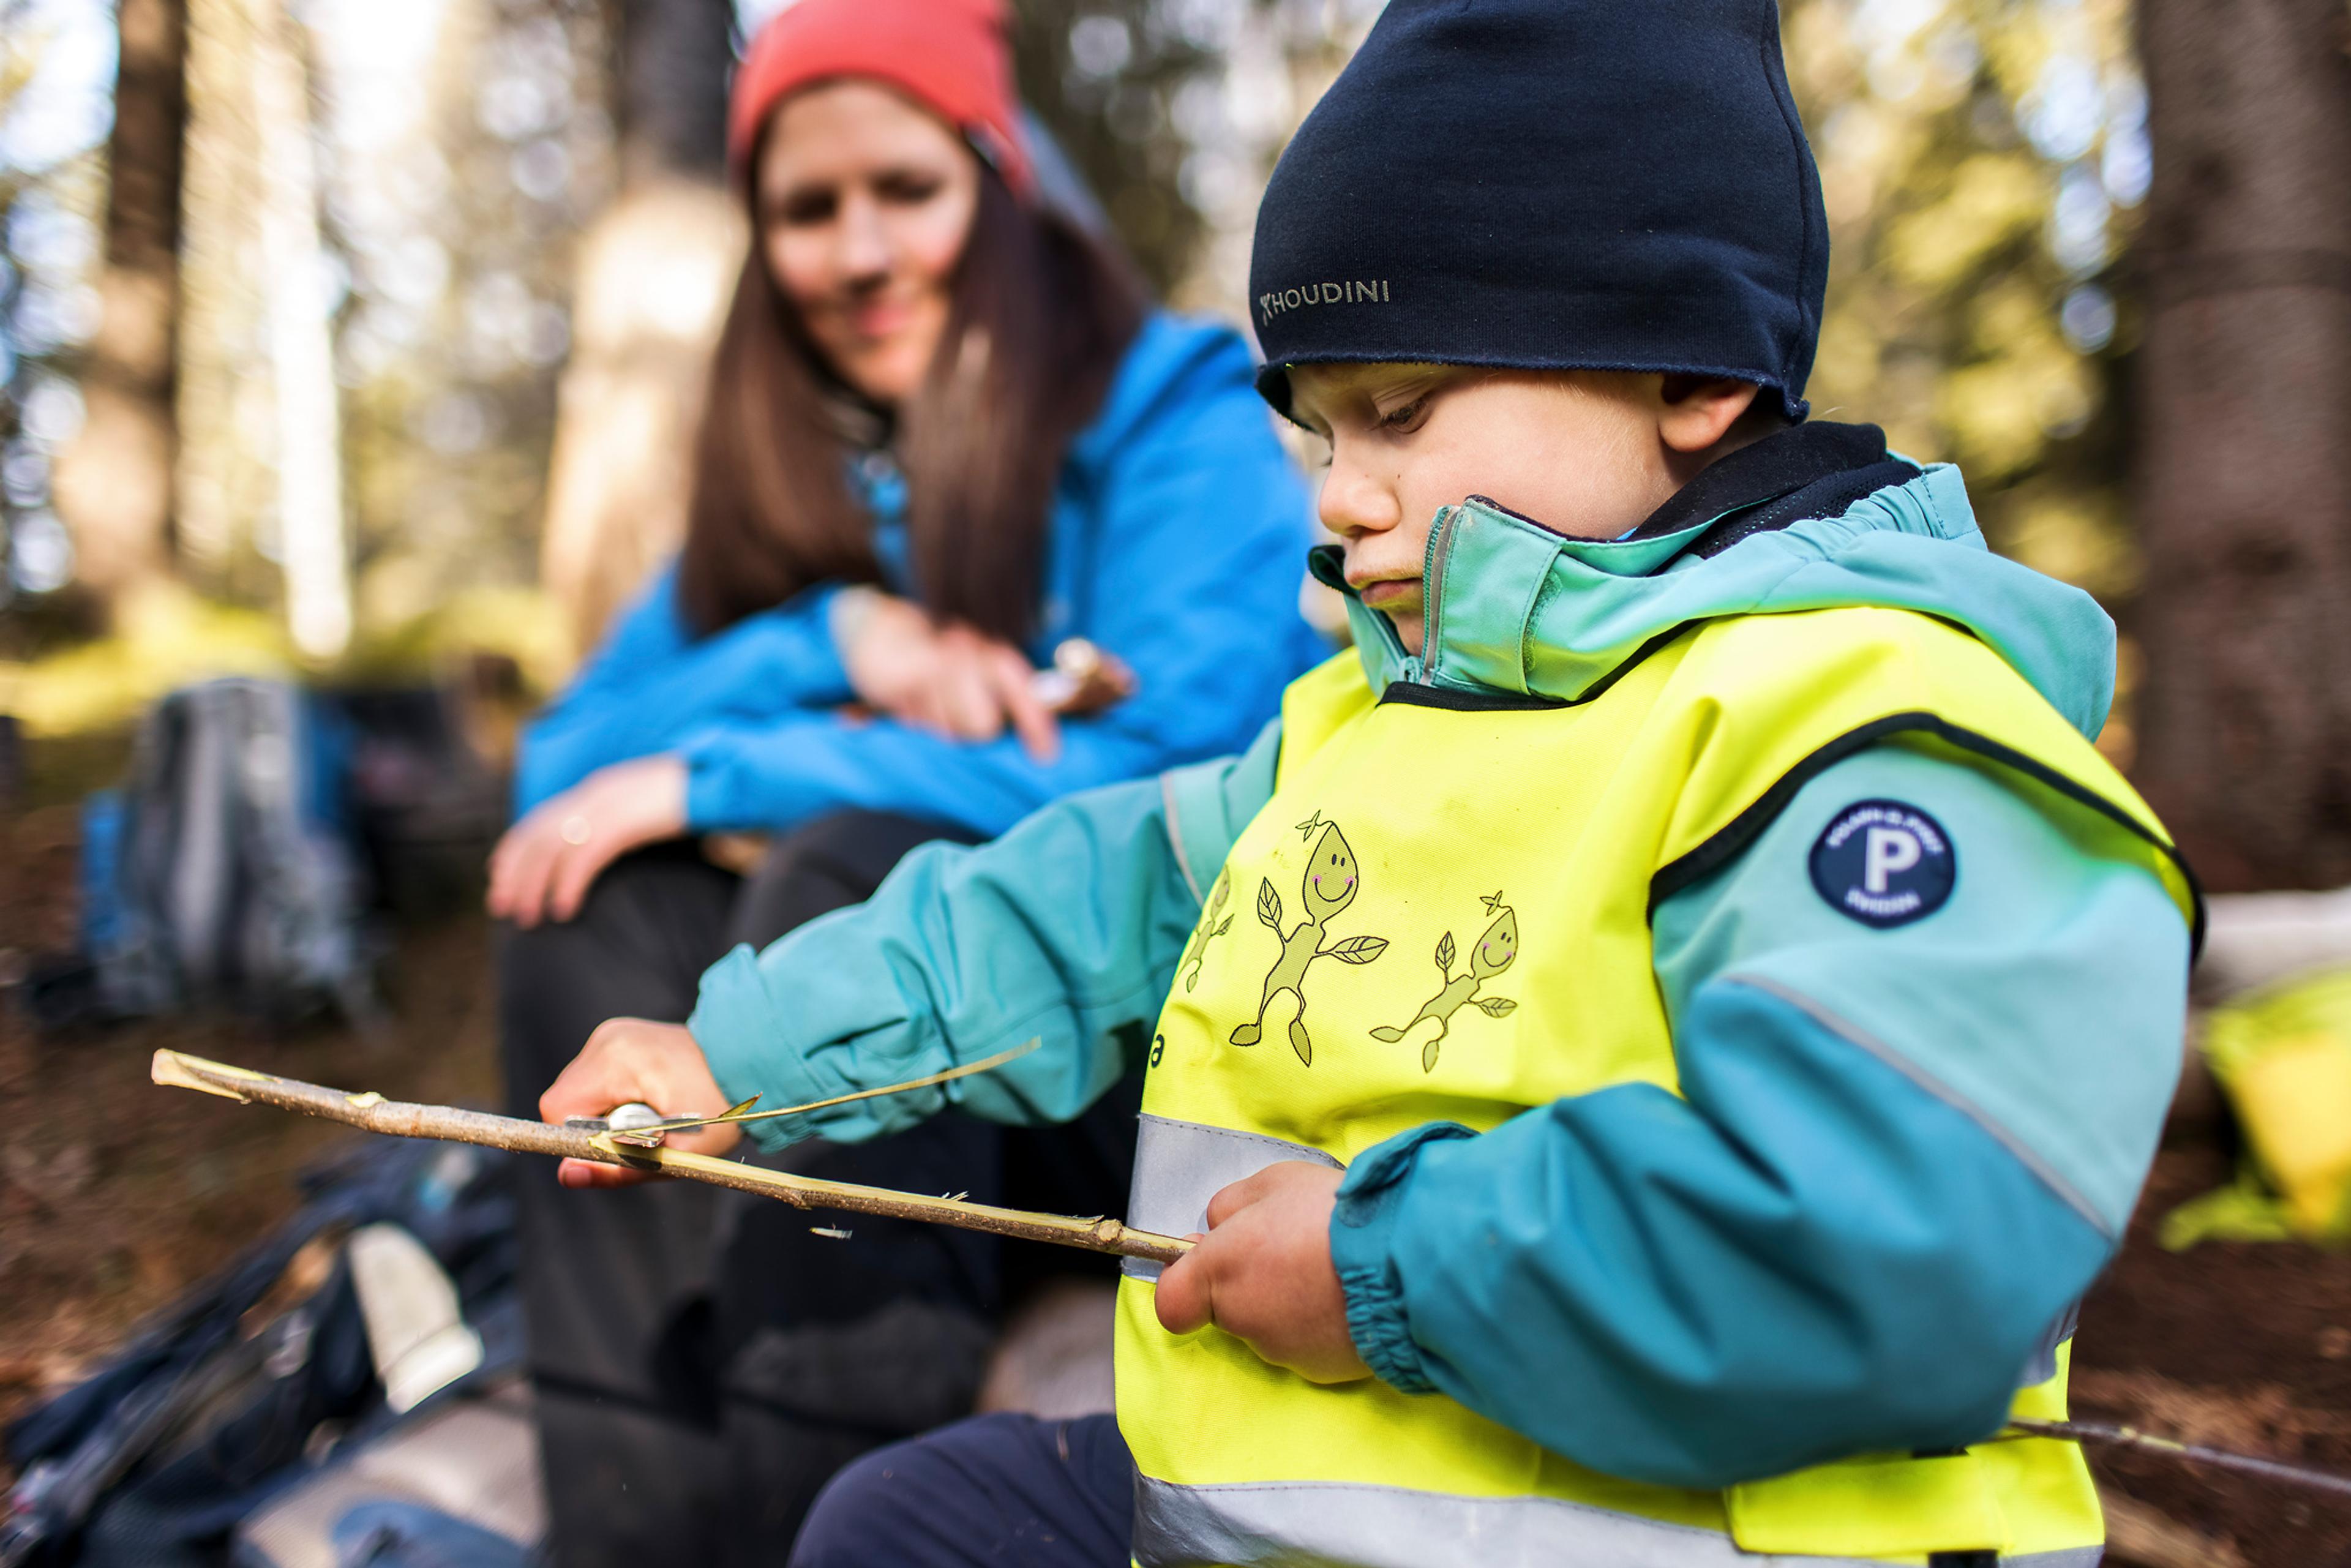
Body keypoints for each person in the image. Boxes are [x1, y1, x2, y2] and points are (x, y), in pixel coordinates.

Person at [541, 2, 2202, 1564]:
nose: (1342, 498)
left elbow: (1899, 1237)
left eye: (1400, 412)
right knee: (908, 1526)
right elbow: (1077, 901)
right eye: (1324, 433)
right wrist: (747, 1054)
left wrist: (1388, 1268)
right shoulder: (1371, 718)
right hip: (1333, 1512)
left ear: (1694, 378)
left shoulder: (1876, 727)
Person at [490, 1, 1323, 1562]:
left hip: (1130, 1033)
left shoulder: (1169, 414)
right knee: (584, 901)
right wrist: (835, 634)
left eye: (907, 189)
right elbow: (562, 768)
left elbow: (1178, 782)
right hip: (882, 1049)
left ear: (1002, 186)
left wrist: (738, 768)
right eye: (809, 209)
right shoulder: (803, 469)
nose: (861, 251)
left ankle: (824, 1503)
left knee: (853, 856)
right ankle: (638, 1530)